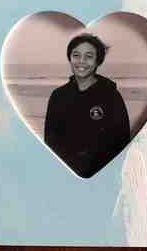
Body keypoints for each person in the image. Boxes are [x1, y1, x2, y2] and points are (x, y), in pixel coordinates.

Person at [44, 33, 130, 178]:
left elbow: (122, 138)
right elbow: (50, 140)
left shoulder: (110, 95)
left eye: (89, 56)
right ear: (69, 58)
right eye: (76, 55)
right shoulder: (58, 96)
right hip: (64, 173)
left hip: (104, 173)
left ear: (98, 61)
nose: (81, 61)